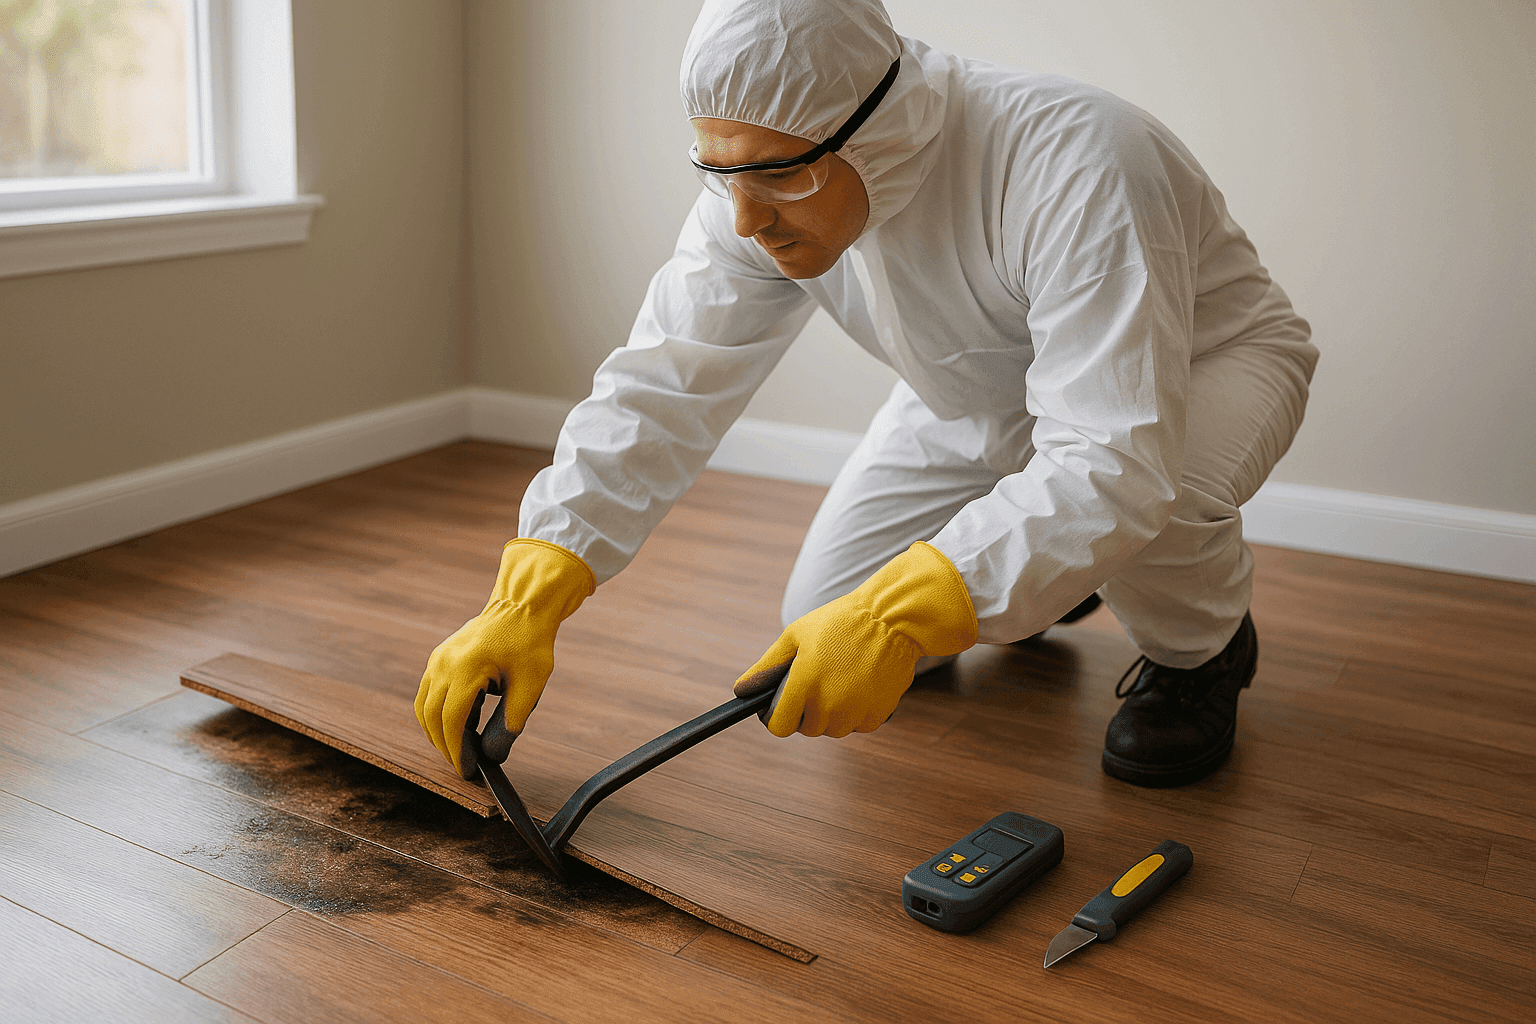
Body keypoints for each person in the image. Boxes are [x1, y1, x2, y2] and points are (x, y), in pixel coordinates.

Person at [416, 0, 1317, 789]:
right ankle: (1059, 573)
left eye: (778, 175)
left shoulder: (1078, 158)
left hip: (1195, 369)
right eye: (722, 174)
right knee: (820, 613)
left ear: (876, 128)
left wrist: (901, 615)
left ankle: (1201, 653)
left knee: (1155, 502)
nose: (745, 219)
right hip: (974, 395)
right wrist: (531, 587)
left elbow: (1114, 456)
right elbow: (664, 381)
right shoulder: (756, 185)